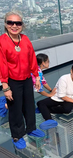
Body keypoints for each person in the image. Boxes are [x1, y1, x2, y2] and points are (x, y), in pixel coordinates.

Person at [0, 11, 45, 149]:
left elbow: (32, 59)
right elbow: (2, 64)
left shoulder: (25, 39)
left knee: (29, 105)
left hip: (26, 78)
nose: (14, 25)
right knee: (15, 109)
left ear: (22, 25)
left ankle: (31, 128)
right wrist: (5, 86)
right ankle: (17, 135)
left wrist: (36, 77)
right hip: (12, 81)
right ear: (6, 24)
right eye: (10, 22)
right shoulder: (2, 41)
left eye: (18, 23)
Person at [37, 62, 73, 130]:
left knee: (67, 109)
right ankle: (48, 120)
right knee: (40, 103)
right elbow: (62, 96)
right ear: (71, 71)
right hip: (58, 97)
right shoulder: (64, 78)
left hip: (68, 99)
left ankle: (44, 110)